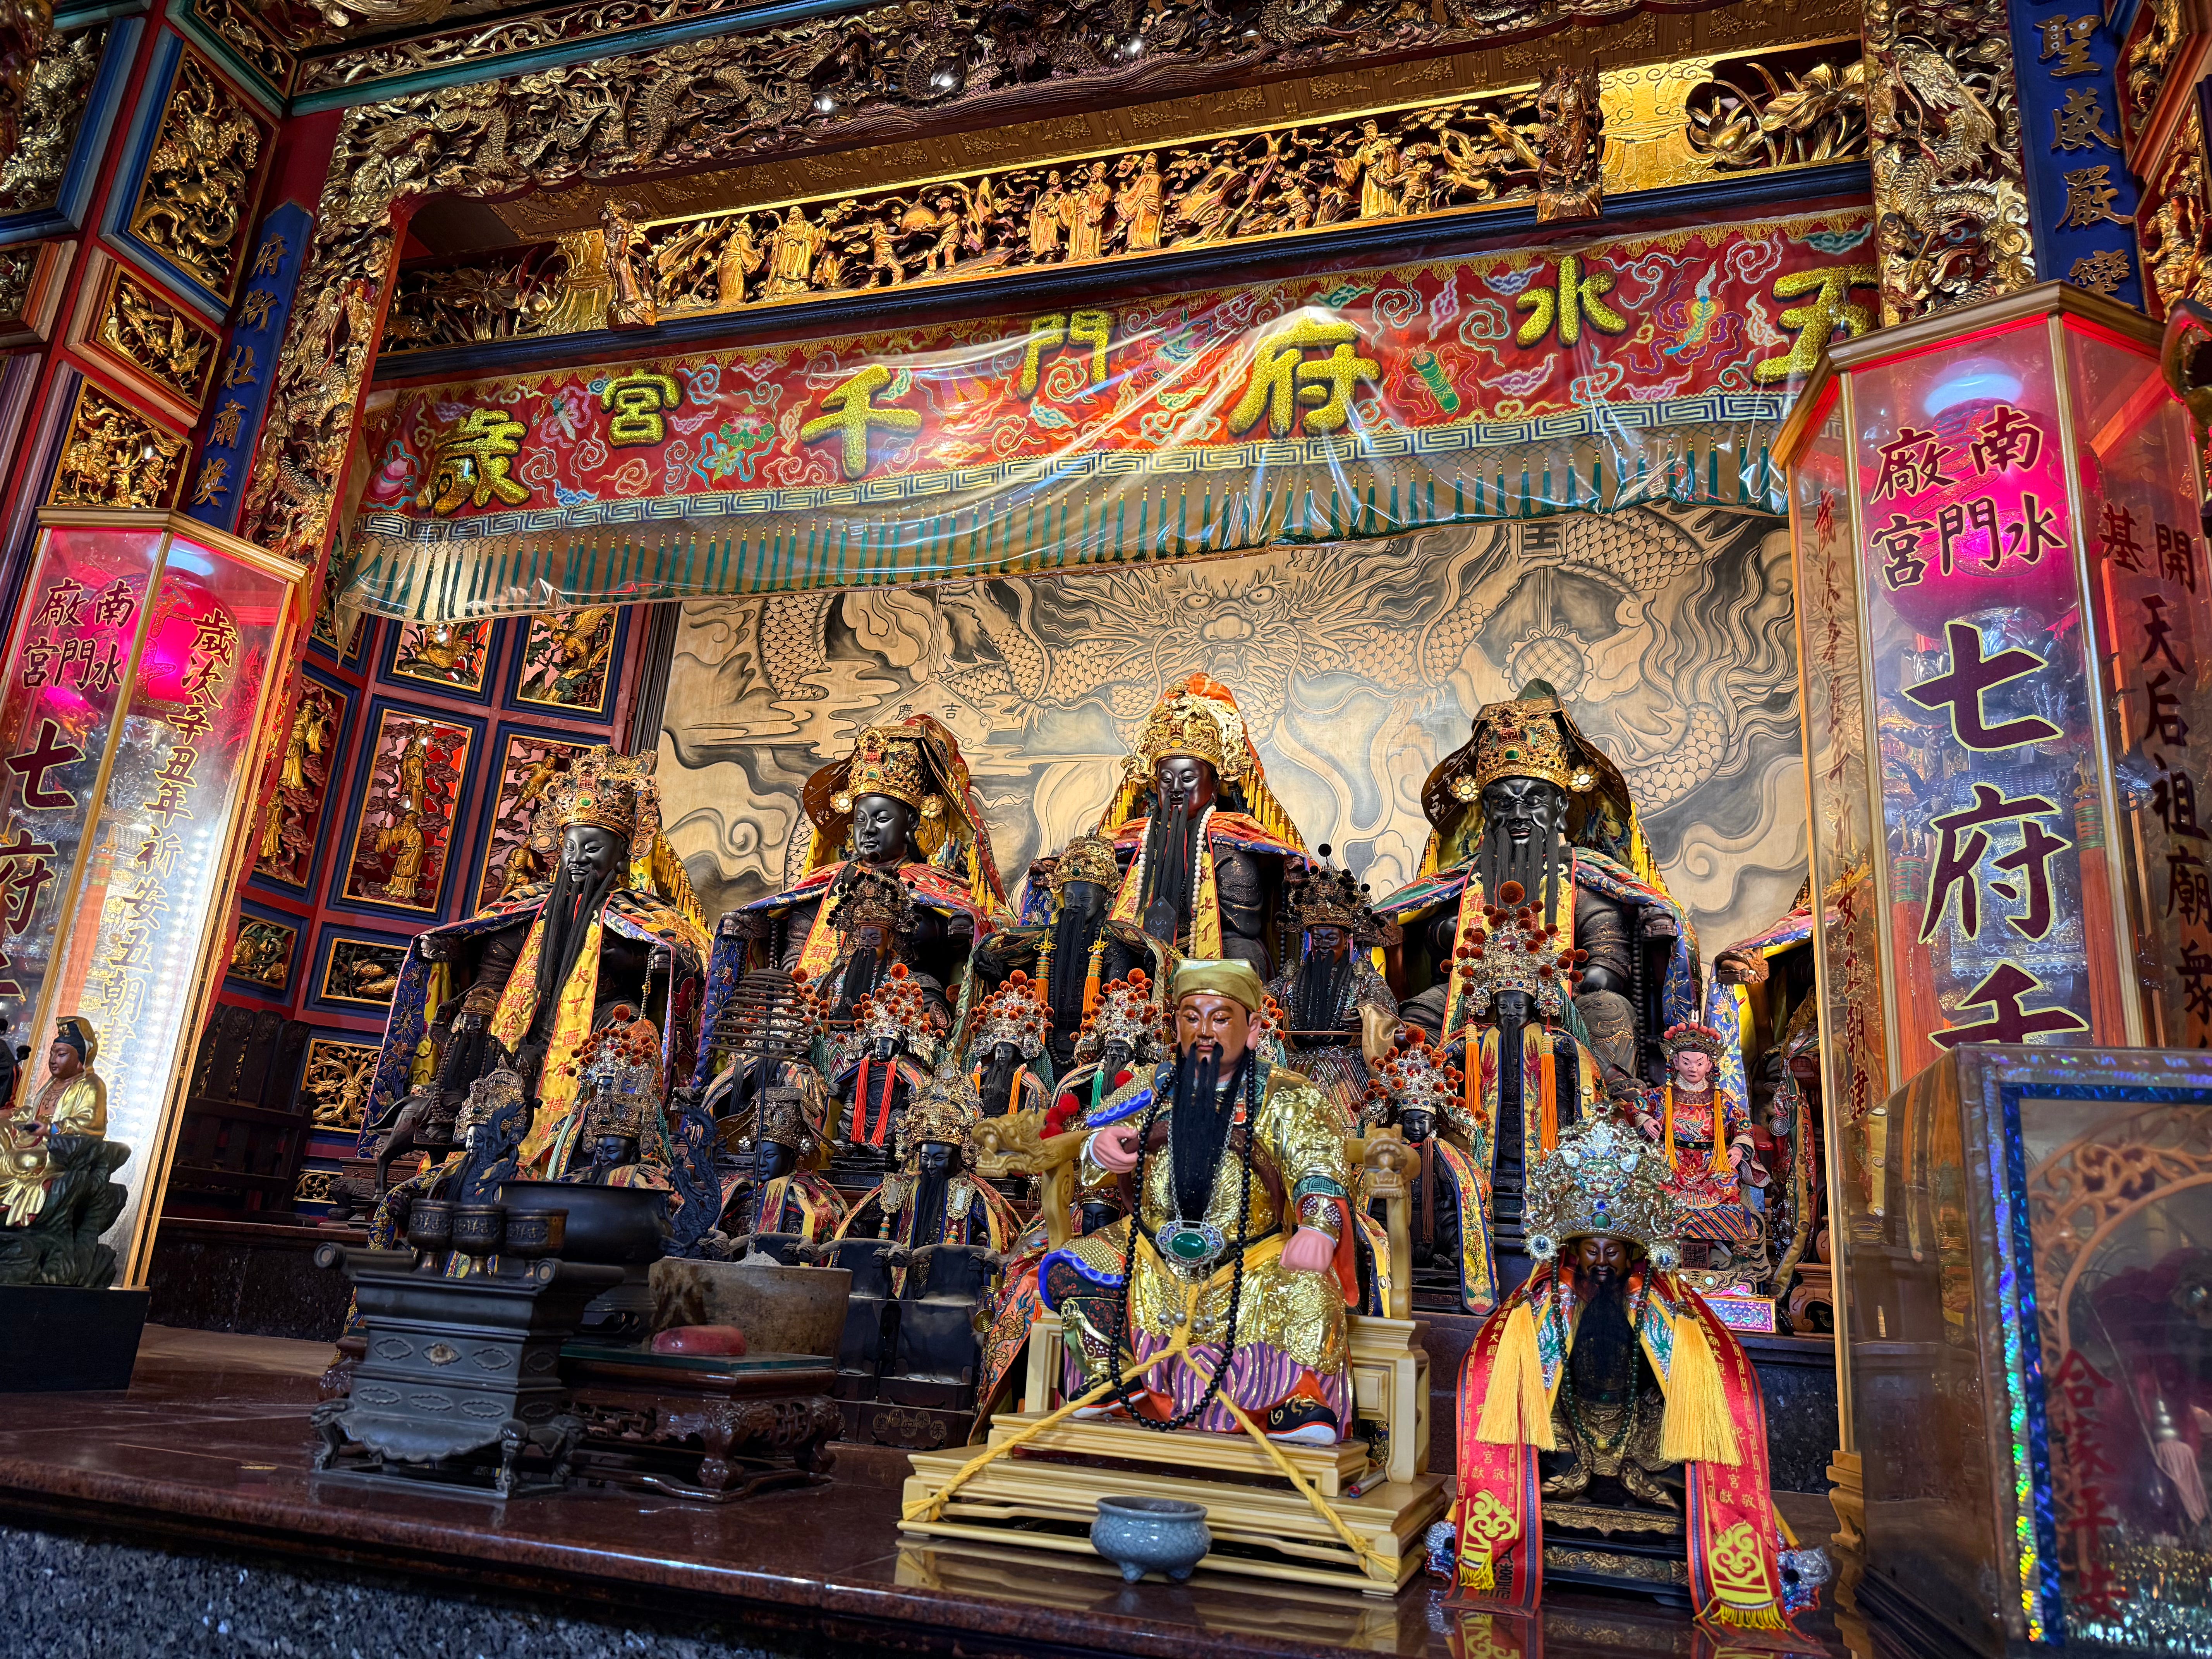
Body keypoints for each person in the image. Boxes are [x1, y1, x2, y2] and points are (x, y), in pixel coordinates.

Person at [1444, 1115, 1810, 1637]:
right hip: (1567, 1436)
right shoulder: (1542, 1306)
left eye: (1612, 1251)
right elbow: (1495, 1376)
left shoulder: (1666, 1307)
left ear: (1634, 1252)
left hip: (1643, 1440)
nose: (1600, 1262)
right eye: (1589, 1250)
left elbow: (1712, 1384)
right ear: (1571, 1250)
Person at [1038, 958, 1359, 1445]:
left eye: (1220, 1018)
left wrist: (1317, 1228)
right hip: (1150, 1247)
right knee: (1077, 1265)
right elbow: (1094, 1141)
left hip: (1252, 1256)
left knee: (1309, 1289)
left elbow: (1319, 1166)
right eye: (1191, 1017)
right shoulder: (1152, 1086)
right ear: (1176, 1025)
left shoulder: (1289, 1095)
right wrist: (1099, 1150)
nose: (1204, 1031)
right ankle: (1108, 1375)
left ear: (1254, 1027)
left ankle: (1295, 1399)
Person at [356, 746, 708, 1182]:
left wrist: (645, 960)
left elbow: (687, 957)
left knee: (633, 1036)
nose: (578, 858)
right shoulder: (526, 908)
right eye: (570, 847)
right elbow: (493, 968)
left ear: (621, 856)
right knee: (474, 1036)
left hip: (599, 1023)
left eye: (593, 848)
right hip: (524, 1025)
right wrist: (468, 984)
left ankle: (607, 1149)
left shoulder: (639, 914)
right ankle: (456, 1134)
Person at [1094, 674, 1309, 978]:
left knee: (1242, 952)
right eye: (1166, 780)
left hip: (1212, 945)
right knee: (1109, 948)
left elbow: (1244, 925)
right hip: (1142, 946)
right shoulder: (1132, 839)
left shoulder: (1233, 840)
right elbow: (1091, 869)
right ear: (1155, 786)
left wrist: (1292, 869)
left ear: (1215, 786)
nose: (1176, 789)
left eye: (1188, 778)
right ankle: (1117, 1005)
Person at [1267, 854, 1398, 1121]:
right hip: (1294, 1067)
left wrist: (1366, 1017)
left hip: (1346, 1070)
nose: (1323, 945)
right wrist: (1267, 1005)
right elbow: (1263, 995)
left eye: (1331, 938)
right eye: (1317, 939)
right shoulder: (1293, 976)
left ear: (1346, 939)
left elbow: (1387, 1007)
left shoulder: (1363, 976)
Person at [0, 1018, 106, 1227]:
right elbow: (36, 1112)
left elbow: (91, 1124)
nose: (53, 1060)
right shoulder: (53, 1083)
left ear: (80, 1060)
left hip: (53, 1146)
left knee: (27, 1161)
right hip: (29, 1136)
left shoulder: (92, 1085)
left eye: (61, 1055)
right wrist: (13, 1114)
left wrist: (53, 1129)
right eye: (52, 1053)